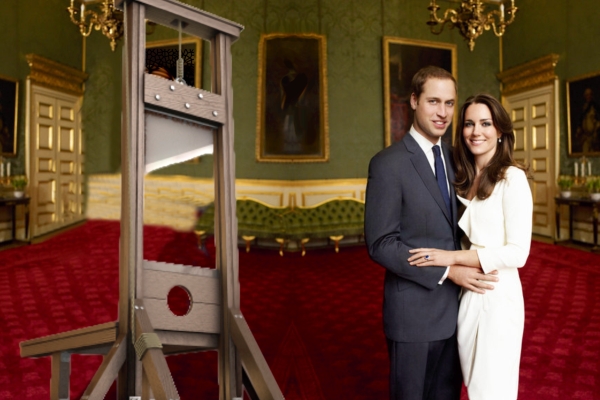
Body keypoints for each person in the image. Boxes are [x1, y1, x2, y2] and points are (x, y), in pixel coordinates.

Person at [364, 66, 499, 400]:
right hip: (412, 314)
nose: (443, 113)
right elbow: (381, 244)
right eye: (434, 101)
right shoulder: (387, 164)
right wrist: (448, 271)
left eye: (450, 103)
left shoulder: (460, 161)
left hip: (460, 312)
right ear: (413, 101)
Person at [408, 93, 533, 400]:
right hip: (467, 296)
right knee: (474, 386)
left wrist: (449, 258)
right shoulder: (461, 177)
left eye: (486, 123)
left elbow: (518, 253)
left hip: (497, 294)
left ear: (500, 130)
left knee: (493, 390)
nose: (476, 131)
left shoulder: (512, 178)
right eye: (469, 124)